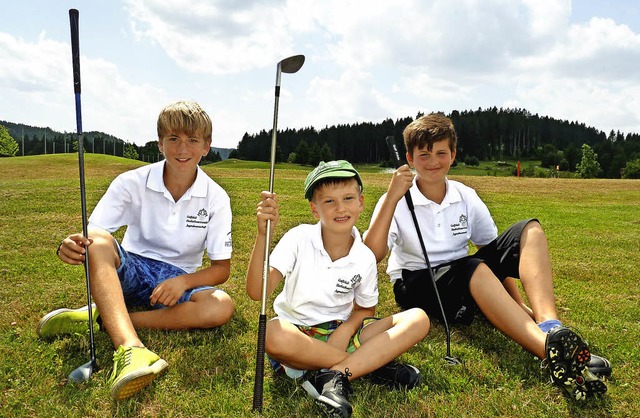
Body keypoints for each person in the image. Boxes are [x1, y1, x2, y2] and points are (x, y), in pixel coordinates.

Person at [363, 113, 610, 401]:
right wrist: (392, 197)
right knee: (474, 267)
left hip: (464, 275)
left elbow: (496, 255)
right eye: (424, 154)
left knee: (529, 230)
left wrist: (519, 308)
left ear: (453, 155)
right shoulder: (396, 199)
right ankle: (549, 350)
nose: (433, 161)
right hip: (416, 284)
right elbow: (371, 255)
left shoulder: (464, 195)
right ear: (409, 158)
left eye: (441, 152)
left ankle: (550, 327)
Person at [37, 100, 234, 400]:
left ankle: (103, 318)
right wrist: (71, 244)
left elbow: (222, 268)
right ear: (160, 143)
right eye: (173, 139)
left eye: (193, 140)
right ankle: (131, 348)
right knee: (99, 240)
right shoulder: (130, 182)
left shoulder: (216, 198)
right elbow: (93, 236)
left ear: (206, 146)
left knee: (221, 305)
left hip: (177, 281)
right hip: (132, 269)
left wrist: (182, 282)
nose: (183, 149)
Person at [246, 160, 429, 417]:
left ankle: (335, 376)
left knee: (418, 319)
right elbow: (257, 292)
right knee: (272, 333)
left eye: (348, 198)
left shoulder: (364, 256)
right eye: (329, 201)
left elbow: (366, 308)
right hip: (298, 337)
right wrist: (263, 235)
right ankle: (369, 365)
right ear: (314, 209)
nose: (340, 208)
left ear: (361, 202)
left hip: (342, 332)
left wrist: (345, 330)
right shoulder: (298, 238)